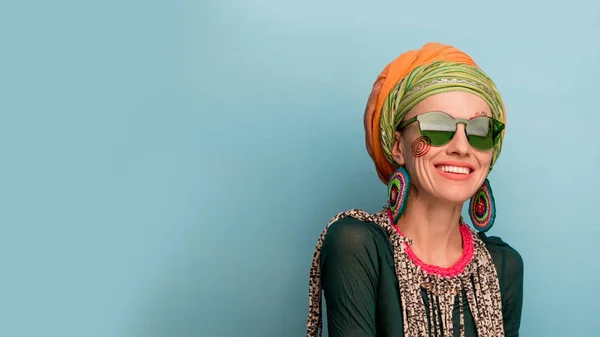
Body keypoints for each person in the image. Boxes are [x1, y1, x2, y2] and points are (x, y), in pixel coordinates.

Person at [305, 42, 524, 337]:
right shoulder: (357, 245)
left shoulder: (504, 265)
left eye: (480, 131)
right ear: (398, 147)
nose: (461, 147)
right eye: (436, 126)